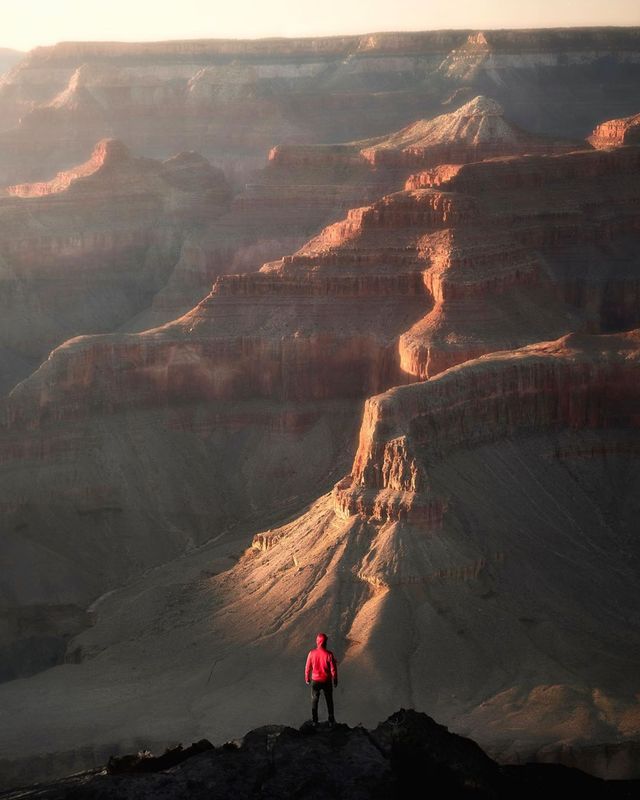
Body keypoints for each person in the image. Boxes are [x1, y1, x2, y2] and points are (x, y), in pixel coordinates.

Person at [304, 632, 338, 725]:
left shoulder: (311, 653)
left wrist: (307, 678)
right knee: (329, 700)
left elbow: (307, 667)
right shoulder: (329, 654)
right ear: (325, 642)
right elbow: (333, 669)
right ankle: (331, 720)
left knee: (314, 700)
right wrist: (335, 680)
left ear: (317, 642)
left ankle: (315, 721)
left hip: (316, 681)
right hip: (327, 681)